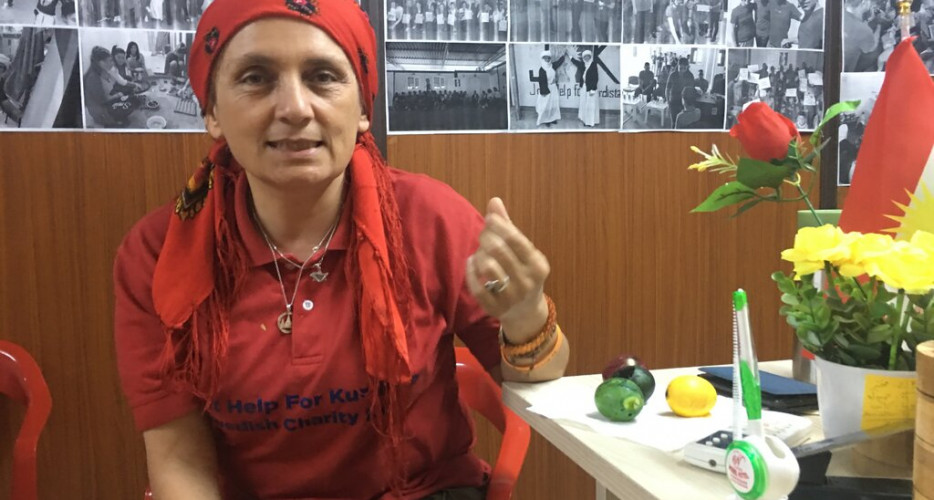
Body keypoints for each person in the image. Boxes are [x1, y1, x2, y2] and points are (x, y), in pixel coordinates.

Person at [114, 1, 570, 498]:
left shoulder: (429, 217)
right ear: (213, 113)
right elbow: (179, 459)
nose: (295, 108)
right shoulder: (158, 254)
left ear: (363, 111)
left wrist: (526, 316)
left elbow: (541, 379)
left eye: (323, 77)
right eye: (256, 78)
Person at [83, 46, 140, 126]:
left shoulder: (106, 70)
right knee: (127, 114)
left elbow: (121, 81)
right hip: (100, 110)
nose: (113, 63)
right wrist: (117, 95)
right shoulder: (93, 78)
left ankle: (118, 118)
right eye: (110, 61)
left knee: (133, 100)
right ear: (101, 62)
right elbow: (102, 100)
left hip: (107, 100)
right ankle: (113, 121)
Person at [844, 0, 878, 71]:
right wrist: (879, 27)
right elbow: (871, 48)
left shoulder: (831, 14)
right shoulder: (864, 30)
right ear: (864, 2)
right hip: (846, 72)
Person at [534, 50, 564, 126]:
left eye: (548, 58)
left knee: (553, 104)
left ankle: (552, 118)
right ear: (542, 59)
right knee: (546, 105)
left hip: (553, 88)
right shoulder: (541, 69)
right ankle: (546, 120)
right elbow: (541, 82)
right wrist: (544, 92)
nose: (547, 59)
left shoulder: (552, 66)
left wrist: (564, 54)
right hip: (546, 89)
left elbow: (559, 62)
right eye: (545, 58)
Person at [571, 49, 600, 126]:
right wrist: (570, 57)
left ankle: (590, 122)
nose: (586, 58)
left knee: (590, 105)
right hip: (584, 87)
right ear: (583, 58)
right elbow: (576, 62)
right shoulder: (583, 65)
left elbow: (596, 78)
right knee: (584, 104)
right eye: (585, 57)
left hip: (591, 88)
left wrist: (593, 89)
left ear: (590, 57)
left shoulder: (593, 65)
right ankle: (585, 120)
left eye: (588, 56)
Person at [665, 56, 694, 125]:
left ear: (687, 67)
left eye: (684, 68)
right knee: (674, 122)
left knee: (683, 123)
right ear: (678, 66)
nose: (682, 70)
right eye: (680, 68)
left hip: (685, 103)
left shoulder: (690, 76)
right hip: (673, 101)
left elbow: (691, 91)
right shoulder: (672, 75)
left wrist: (690, 105)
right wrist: (668, 102)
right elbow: (667, 89)